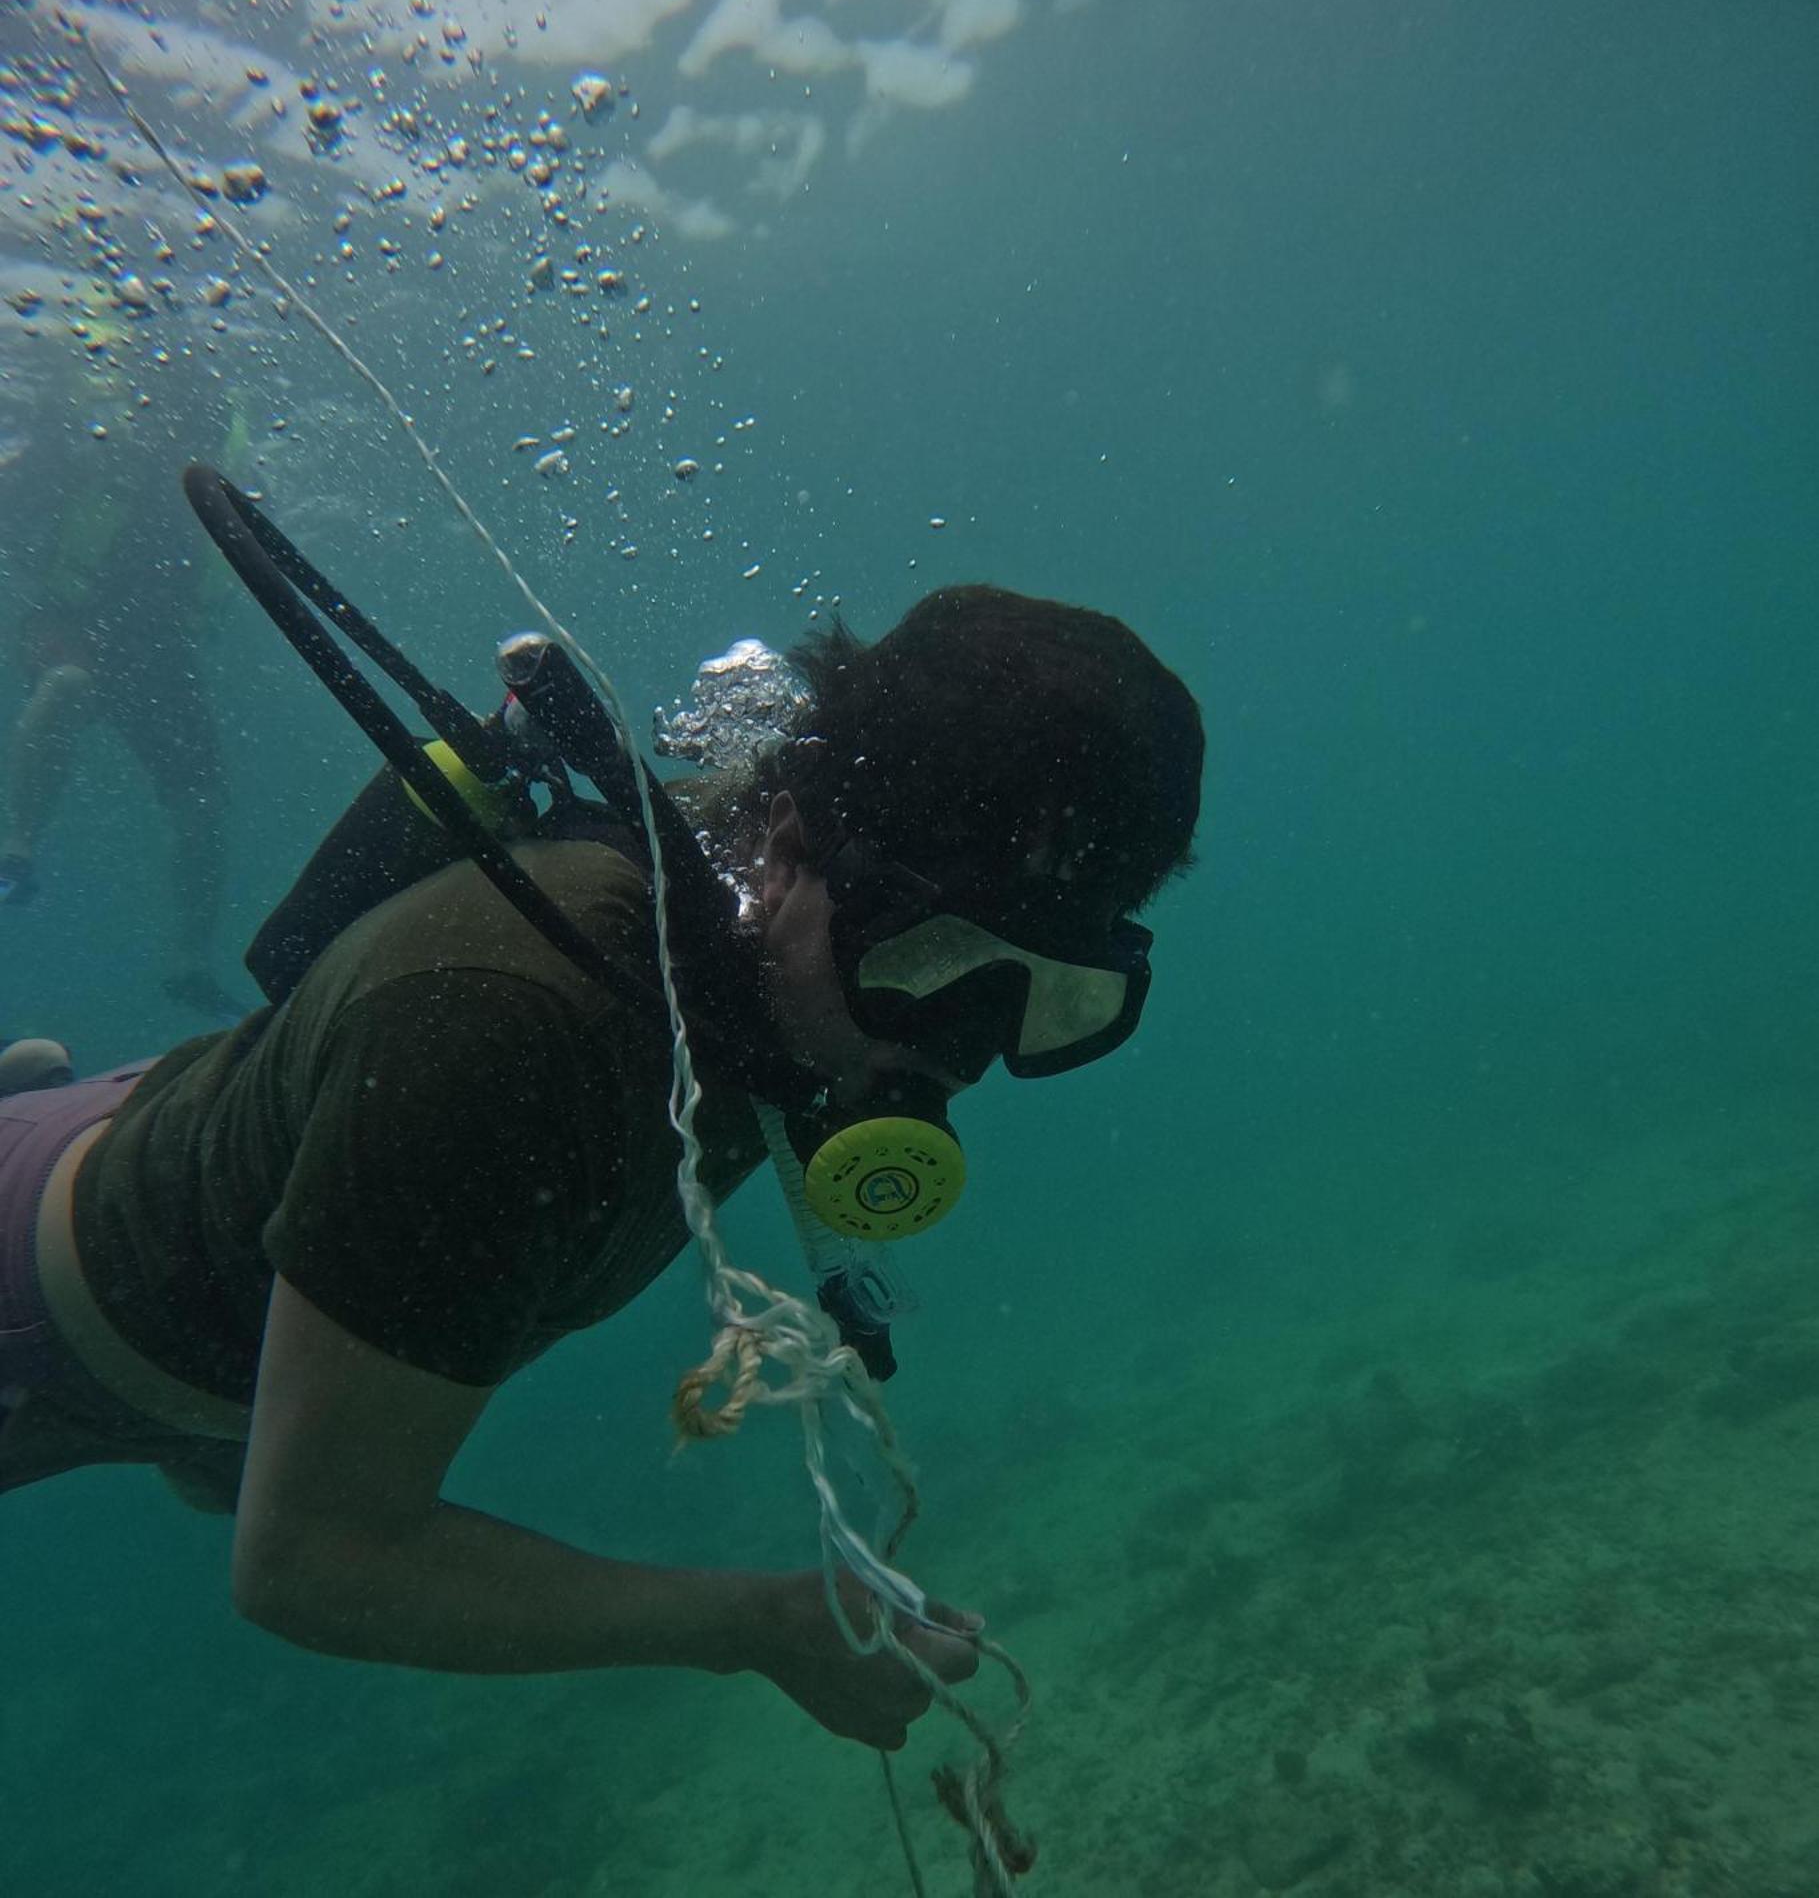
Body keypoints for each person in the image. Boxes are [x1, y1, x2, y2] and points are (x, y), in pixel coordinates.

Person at [0, 583, 1203, 1751]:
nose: (959, 1048)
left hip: (204, 1220)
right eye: (931, 956)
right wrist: (758, 1626)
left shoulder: (757, 947)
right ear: (786, 842)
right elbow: (314, 1558)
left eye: (1048, 994)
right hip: (48, 1314)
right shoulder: (516, 1029)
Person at [0, 327, 243, 1021]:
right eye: (173, 417)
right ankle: (17, 850)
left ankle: (189, 964)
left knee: (201, 807)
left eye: (197, 422)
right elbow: (21, 507)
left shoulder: (216, 490)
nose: (182, 434)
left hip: (160, 649)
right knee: (68, 687)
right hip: (72, 622)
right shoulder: (90, 457)